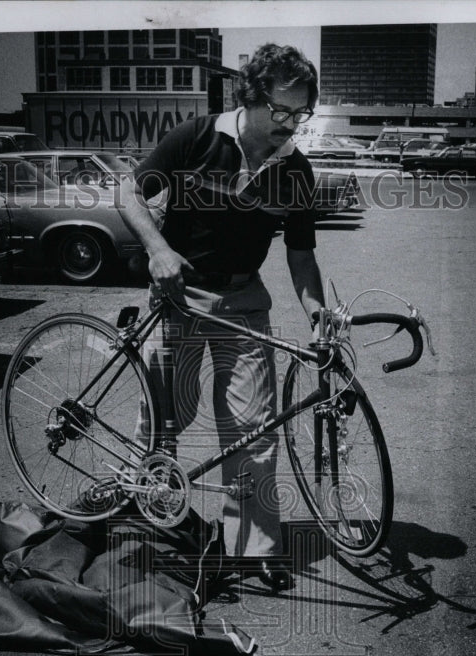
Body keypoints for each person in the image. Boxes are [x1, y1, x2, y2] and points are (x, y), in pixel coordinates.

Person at [119, 43, 328, 592]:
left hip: (244, 304)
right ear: (252, 98)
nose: (291, 124)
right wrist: (158, 249)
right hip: (180, 296)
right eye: (281, 111)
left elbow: (301, 257)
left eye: (301, 113)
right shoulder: (197, 137)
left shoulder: (296, 173)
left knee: (254, 432)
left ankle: (253, 547)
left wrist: (316, 310)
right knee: (166, 423)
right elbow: (128, 193)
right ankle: (153, 522)